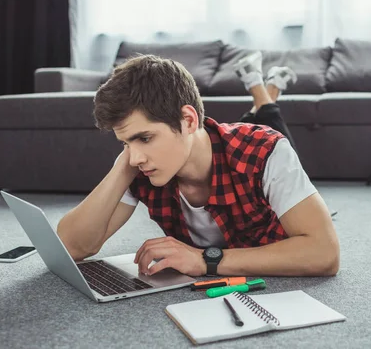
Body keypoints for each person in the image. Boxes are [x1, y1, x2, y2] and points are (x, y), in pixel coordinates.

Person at [57, 51, 340, 277]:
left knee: (270, 123)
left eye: (144, 138)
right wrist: (122, 166)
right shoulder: (137, 166)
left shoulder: (266, 152)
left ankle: (266, 90)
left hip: (276, 299)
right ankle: (267, 90)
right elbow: (71, 247)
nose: (136, 157)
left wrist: (206, 261)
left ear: (189, 120)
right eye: (125, 142)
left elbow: (324, 253)